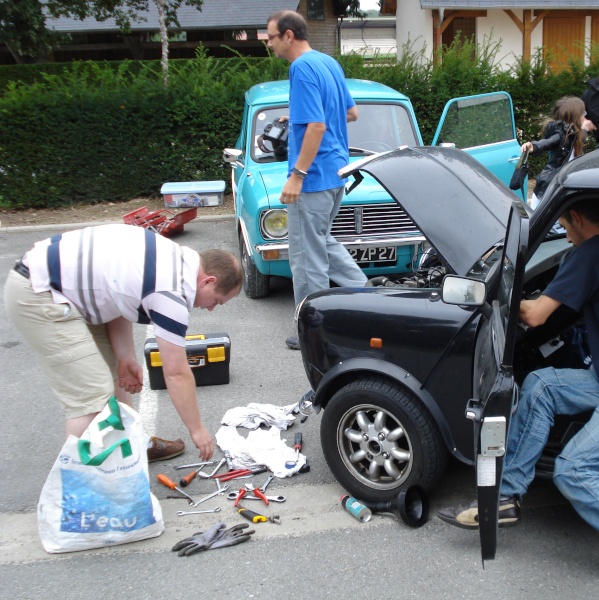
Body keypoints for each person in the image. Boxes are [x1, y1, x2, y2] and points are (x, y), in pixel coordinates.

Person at [438, 199, 599, 600]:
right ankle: (507, 496)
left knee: (575, 470)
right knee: (543, 385)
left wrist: (495, 295)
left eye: (564, 224)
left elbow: (534, 316)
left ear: (577, 218)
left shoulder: (590, 254)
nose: (565, 232)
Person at [4, 224, 242, 461]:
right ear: (208, 281)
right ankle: (74, 487)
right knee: (93, 399)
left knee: (118, 382)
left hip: (68, 290)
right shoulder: (171, 292)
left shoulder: (173, 257)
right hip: (39, 292)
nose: (211, 308)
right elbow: (176, 373)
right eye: (217, 301)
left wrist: (124, 357)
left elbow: (116, 296)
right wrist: (197, 429)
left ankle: (130, 449)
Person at [266, 10, 367, 350]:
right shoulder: (328, 63)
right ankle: (365, 295)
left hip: (314, 178)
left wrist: (297, 175)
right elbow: (349, 113)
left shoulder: (301, 68)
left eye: (271, 37)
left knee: (306, 258)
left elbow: (318, 126)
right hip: (336, 172)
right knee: (321, 242)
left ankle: (314, 332)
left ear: (289, 36)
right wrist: (297, 114)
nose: (269, 43)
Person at [522, 96, 586, 205]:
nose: (585, 116)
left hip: (559, 187)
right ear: (576, 116)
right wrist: (533, 146)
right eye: (583, 113)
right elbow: (548, 142)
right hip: (547, 189)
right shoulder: (562, 135)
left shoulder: (575, 136)